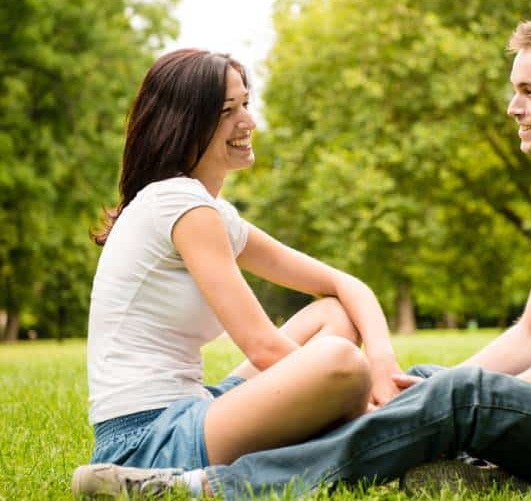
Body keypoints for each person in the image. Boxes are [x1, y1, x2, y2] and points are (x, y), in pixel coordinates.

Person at [72, 12, 531, 499]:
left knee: (454, 395)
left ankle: (217, 487)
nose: (512, 107)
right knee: (426, 381)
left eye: (529, 92)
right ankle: (432, 447)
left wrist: (457, 402)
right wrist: (430, 389)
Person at [71, 49, 405, 496]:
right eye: (227, 111)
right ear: (184, 123)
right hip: (145, 441)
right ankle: (176, 484)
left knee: (332, 317)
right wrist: (369, 404)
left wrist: (382, 362)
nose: (247, 122)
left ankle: (333, 431)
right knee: (341, 363)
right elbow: (264, 347)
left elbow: (344, 285)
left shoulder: (210, 212)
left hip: (194, 408)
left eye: (245, 104)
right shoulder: (179, 202)